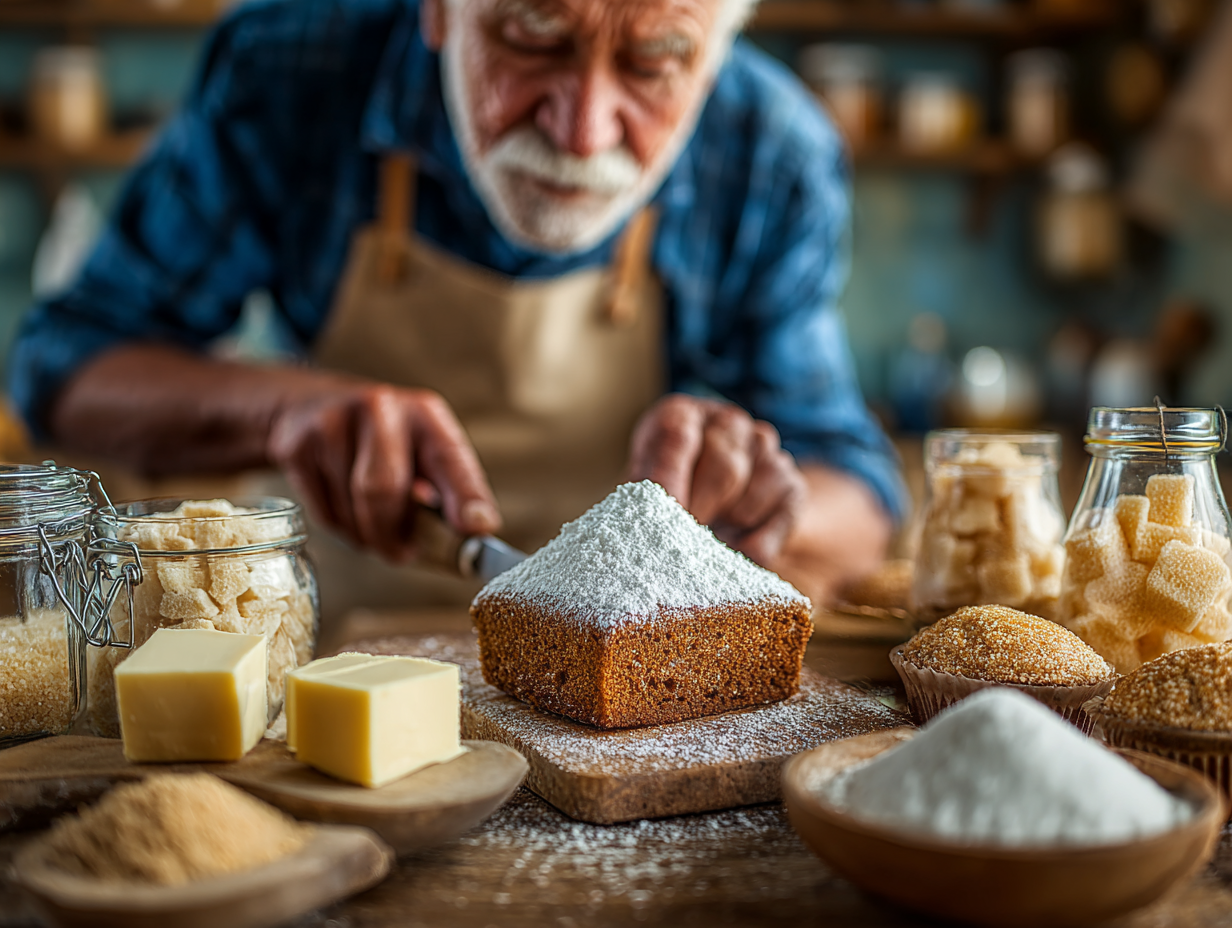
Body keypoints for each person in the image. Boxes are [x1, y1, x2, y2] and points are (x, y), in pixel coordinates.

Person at [7, 0, 905, 612]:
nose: (583, 130)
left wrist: (764, 506)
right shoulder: (292, 72)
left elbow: (859, 492)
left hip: (615, 695)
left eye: (658, 61)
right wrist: (282, 410)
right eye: (532, 35)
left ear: (715, 51)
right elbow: (65, 366)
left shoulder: (768, 150)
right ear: (438, 9)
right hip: (338, 653)